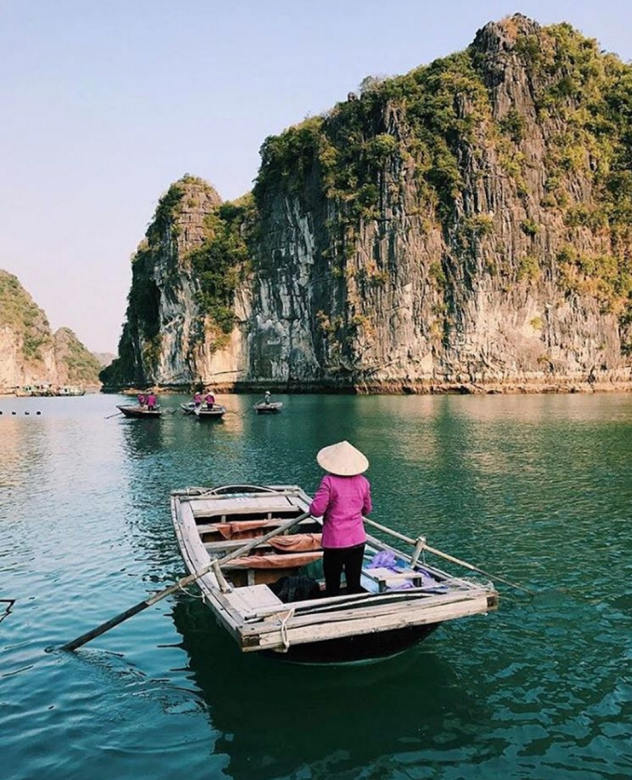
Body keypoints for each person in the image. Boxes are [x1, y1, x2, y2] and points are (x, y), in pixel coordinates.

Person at [309, 440, 372, 597]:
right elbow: (367, 509)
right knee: (354, 583)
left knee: (333, 583)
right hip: (357, 540)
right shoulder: (363, 482)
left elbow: (316, 510)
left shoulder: (329, 481)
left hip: (335, 541)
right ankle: (354, 611)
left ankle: (334, 612)